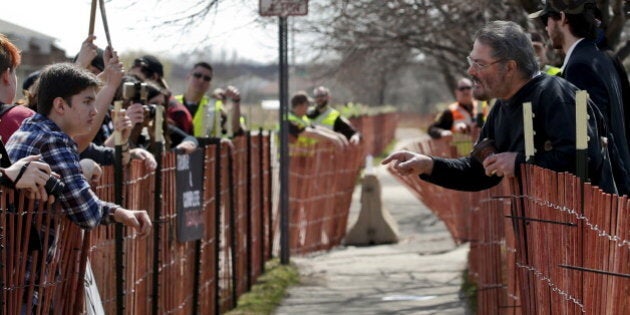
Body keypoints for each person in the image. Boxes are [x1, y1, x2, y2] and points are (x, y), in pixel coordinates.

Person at [382, 20, 618, 194]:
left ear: (510, 67)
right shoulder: (501, 107)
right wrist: (429, 164)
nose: (470, 71)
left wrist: (518, 163)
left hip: (583, 235)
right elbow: (477, 171)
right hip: (542, 238)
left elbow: (582, 159)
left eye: (479, 63)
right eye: (470, 62)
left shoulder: (556, 96)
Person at [6, 62, 152, 234]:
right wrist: (116, 212)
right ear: (60, 105)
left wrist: (118, 212)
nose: (95, 111)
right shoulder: (54, 141)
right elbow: (87, 214)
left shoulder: (31, 128)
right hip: (24, 257)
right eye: (87, 102)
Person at [530, 0, 630, 194]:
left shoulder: (580, 67)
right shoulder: (606, 57)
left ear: (563, 18)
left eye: (546, 19)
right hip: (617, 189)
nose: (546, 28)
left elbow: (590, 142)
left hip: (602, 194)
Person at [174, 62, 244, 139]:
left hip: (204, 150)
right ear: (188, 77)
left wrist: (236, 101)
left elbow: (233, 129)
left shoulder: (214, 106)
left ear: (209, 85)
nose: (201, 80)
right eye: (197, 75)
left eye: (207, 78)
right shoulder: (172, 103)